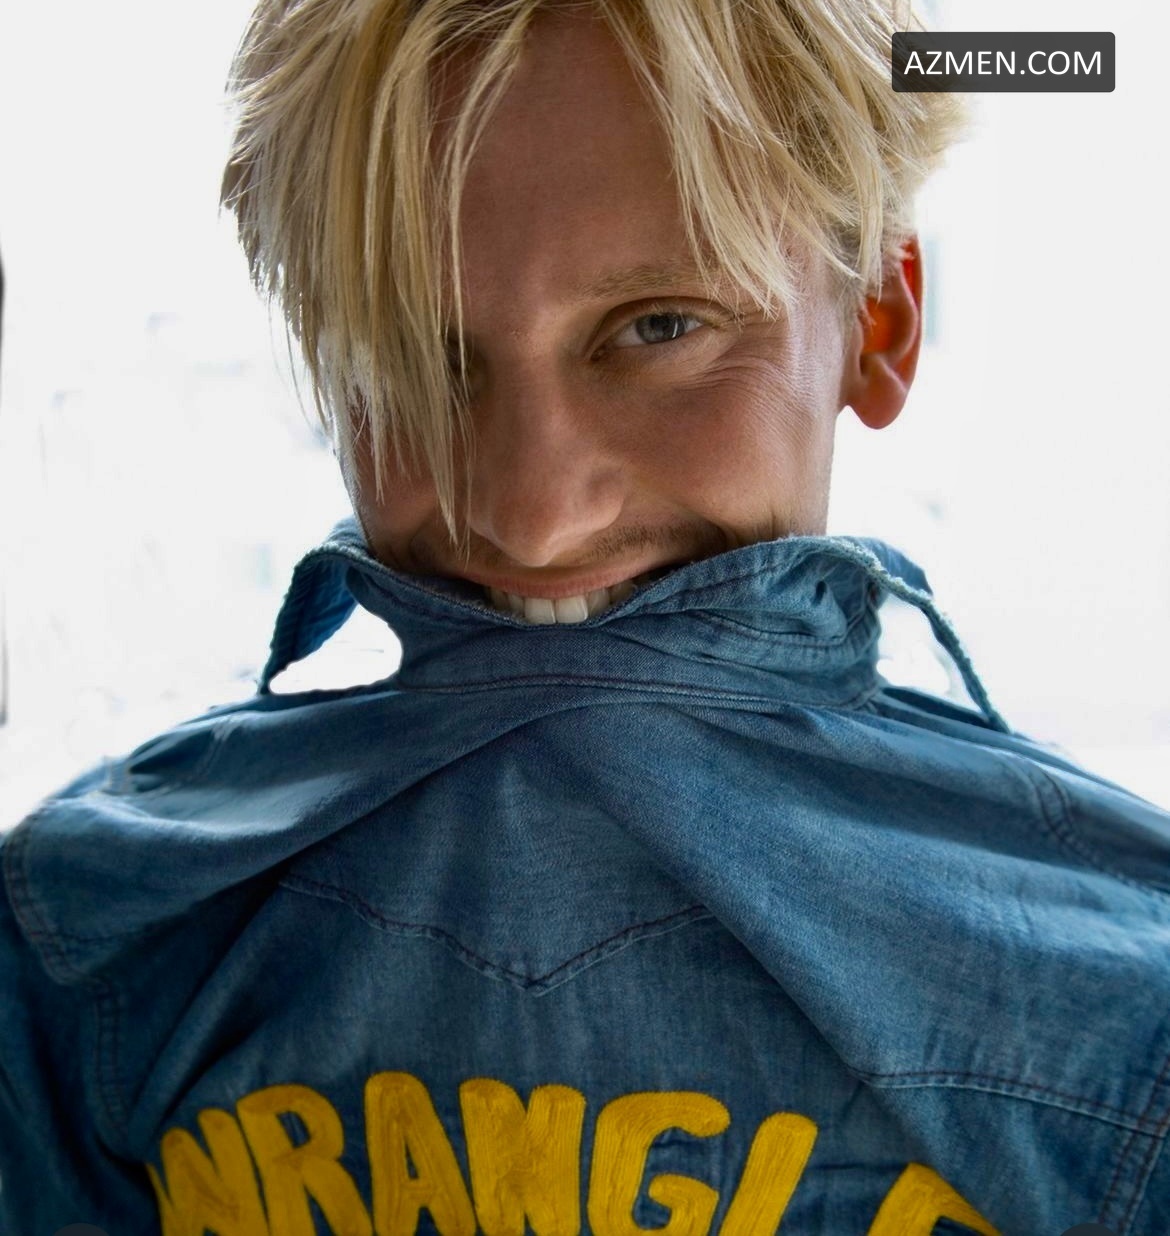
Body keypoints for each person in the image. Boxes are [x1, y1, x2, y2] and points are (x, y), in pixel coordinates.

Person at [1, 0, 1167, 1232]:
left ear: (877, 319)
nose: (534, 520)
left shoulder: (1133, 1012)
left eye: (659, 327)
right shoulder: (81, 944)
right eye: (417, 356)